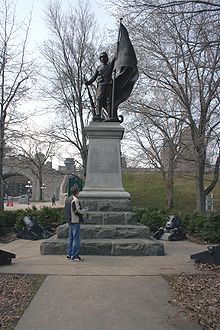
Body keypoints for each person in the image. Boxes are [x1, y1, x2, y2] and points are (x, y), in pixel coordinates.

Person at [84, 52, 115, 121]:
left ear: (106, 59)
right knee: (99, 99)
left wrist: (118, 49)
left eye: (104, 57)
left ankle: (110, 115)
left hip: (109, 85)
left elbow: (115, 59)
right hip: (101, 84)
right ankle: (98, 114)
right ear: (100, 59)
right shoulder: (98, 68)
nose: (103, 59)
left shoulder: (110, 66)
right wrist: (88, 82)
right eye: (101, 57)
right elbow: (94, 77)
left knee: (109, 101)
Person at [64, 185, 84, 262]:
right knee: (76, 239)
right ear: (77, 192)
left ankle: (69, 254)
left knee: (71, 238)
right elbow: (77, 211)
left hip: (70, 221)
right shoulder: (75, 200)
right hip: (75, 221)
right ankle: (74, 256)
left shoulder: (68, 199)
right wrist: (83, 212)